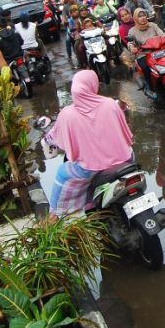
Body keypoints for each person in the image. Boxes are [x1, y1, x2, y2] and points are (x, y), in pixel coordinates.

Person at [46, 70, 135, 217]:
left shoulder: (67, 114)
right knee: (130, 150)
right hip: (125, 159)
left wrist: (48, 140)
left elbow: (57, 139)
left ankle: (54, 215)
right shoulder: (110, 104)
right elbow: (125, 132)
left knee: (62, 173)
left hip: (91, 168)